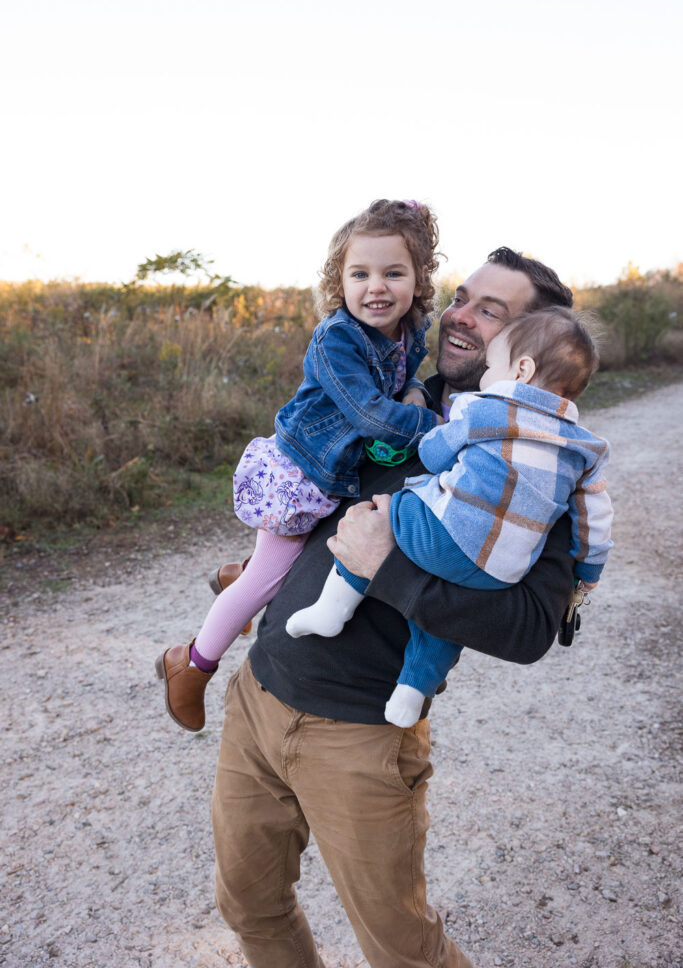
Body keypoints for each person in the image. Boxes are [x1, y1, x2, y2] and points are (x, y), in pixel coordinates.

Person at [210, 246, 579, 968]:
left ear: (529, 348)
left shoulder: (535, 462)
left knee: (402, 950)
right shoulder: (399, 396)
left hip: (358, 734)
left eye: (490, 310)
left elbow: (532, 629)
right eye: (463, 296)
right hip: (257, 695)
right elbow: (320, 504)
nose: (459, 315)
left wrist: (388, 570)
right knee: (251, 909)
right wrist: (253, 577)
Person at [156, 199, 444, 731]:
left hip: (335, 472)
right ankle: (192, 664)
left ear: (419, 280)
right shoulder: (337, 339)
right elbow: (369, 413)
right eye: (360, 274)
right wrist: (440, 429)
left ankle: (236, 572)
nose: (375, 287)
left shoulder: (409, 329)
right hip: (301, 473)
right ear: (340, 280)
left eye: (393, 273)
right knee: (267, 582)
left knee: (296, 557)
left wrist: (417, 390)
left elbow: (403, 379)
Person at [286, 305, 613, 727]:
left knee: (388, 510)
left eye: (493, 363)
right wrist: (589, 567)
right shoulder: (585, 448)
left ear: (523, 370)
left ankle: (334, 606)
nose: (485, 372)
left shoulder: (484, 409)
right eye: (461, 299)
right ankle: (413, 688)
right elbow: (596, 521)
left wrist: (431, 445)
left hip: (441, 537)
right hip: (499, 571)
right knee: (444, 623)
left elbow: (433, 453)